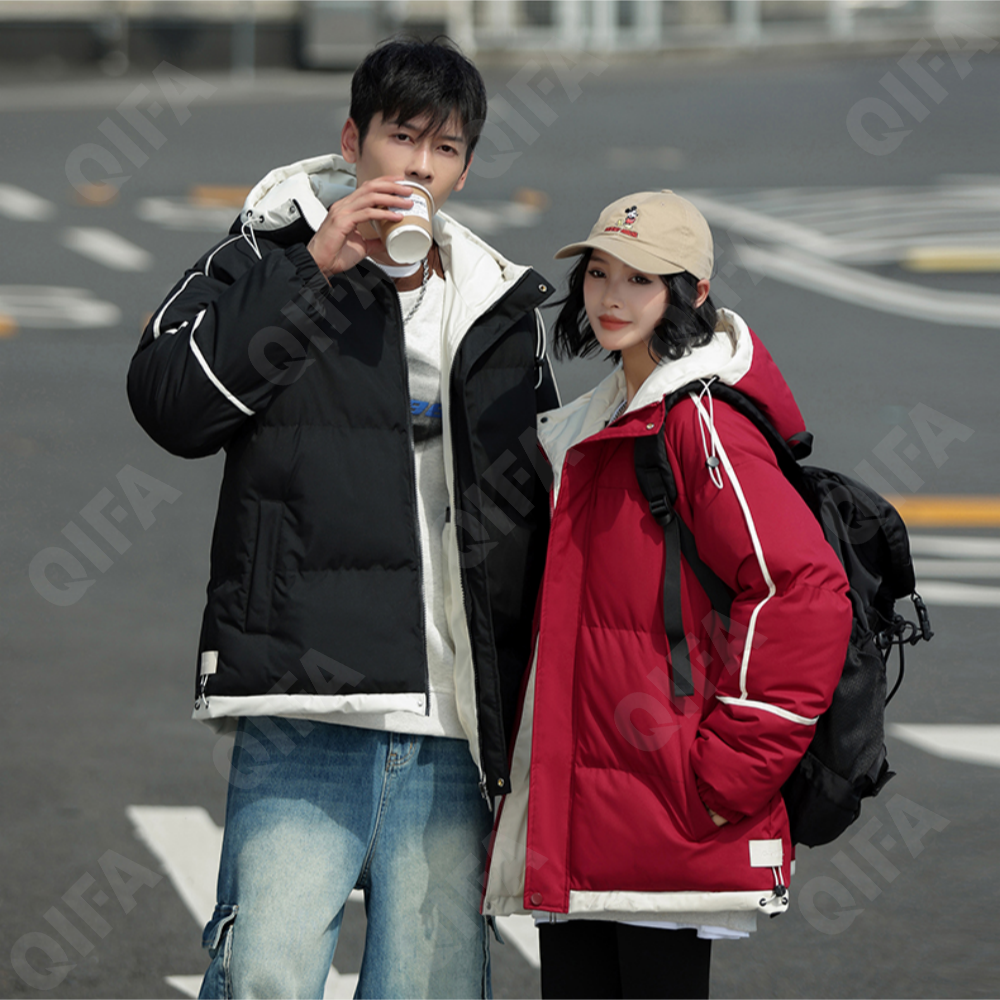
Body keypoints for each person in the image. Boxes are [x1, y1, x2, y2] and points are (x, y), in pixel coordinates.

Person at [127, 37, 558, 1000]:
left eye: (445, 148)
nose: (419, 166)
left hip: (453, 718)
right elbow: (170, 406)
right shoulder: (264, 254)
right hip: (304, 701)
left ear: (465, 169)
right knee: (265, 975)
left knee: (429, 985)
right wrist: (314, 267)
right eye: (401, 137)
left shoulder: (494, 299)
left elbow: (541, 505)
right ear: (353, 139)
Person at [480, 191, 854, 999]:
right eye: (599, 273)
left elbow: (803, 590)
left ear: (693, 292)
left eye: (641, 279)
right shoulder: (601, 419)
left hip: (671, 805)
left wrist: (731, 771)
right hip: (591, 810)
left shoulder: (699, 423)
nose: (611, 297)